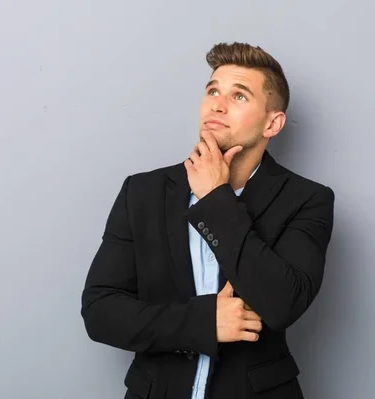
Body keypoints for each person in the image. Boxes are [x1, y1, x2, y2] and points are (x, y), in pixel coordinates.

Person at [81, 42, 335, 399]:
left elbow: (283, 304)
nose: (217, 104)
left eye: (239, 96)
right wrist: (204, 323)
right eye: (213, 90)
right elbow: (100, 311)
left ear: (272, 123)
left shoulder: (307, 200)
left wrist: (216, 198)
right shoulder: (142, 192)